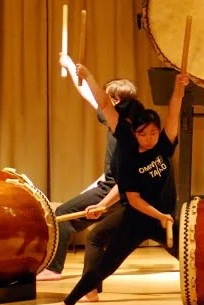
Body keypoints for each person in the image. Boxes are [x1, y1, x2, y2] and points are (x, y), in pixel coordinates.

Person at [44, 64, 188, 305]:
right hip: (140, 218)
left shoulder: (164, 146)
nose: (151, 138)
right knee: (106, 266)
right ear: (134, 134)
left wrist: (178, 89)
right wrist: (88, 76)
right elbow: (132, 199)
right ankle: (68, 303)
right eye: (145, 134)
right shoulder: (128, 156)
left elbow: (174, 115)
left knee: (190, 257)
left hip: (165, 219)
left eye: (155, 132)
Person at [35, 51, 139, 284]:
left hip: (116, 192)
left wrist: (102, 204)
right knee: (102, 237)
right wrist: (71, 65)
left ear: (117, 102)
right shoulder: (125, 121)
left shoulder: (125, 130)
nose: (103, 102)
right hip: (114, 188)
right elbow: (89, 95)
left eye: (108, 98)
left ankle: (54, 269)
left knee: (61, 215)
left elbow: (123, 179)